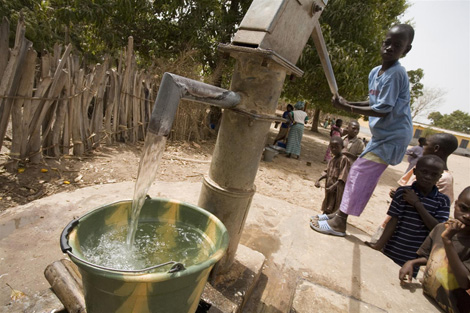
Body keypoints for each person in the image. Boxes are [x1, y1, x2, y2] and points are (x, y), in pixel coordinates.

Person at [311, 24, 415, 237]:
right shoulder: (376, 72)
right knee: (355, 172)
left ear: (406, 50)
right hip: (381, 136)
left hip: (393, 137)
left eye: (397, 45)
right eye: (387, 42)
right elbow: (373, 101)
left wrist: (346, 107)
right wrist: (348, 102)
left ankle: (340, 222)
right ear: (382, 42)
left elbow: (384, 110)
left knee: (360, 173)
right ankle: (338, 215)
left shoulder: (396, 74)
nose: (390, 48)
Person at [366, 155, 450, 277]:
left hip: (413, 256)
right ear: (415, 171)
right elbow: (393, 221)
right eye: (424, 172)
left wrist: (417, 204)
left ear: (439, 177)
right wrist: (378, 245)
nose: (427, 177)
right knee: (380, 274)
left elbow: (437, 228)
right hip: (392, 247)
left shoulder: (442, 201)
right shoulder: (402, 192)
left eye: (434, 174)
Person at [369, 133, 459, 244]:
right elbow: (405, 189)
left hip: (412, 236)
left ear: (436, 148)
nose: (427, 177)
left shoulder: (445, 179)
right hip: (391, 227)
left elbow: (438, 214)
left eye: (425, 145)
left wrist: (415, 202)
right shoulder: (419, 167)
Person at [399, 187, 470, 313]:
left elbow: (464, 282)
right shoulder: (440, 228)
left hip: (453, 308)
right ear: (456, 204)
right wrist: (412, 263)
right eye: (463, 208)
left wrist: (448, 241)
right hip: (430, 296)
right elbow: (431, 257)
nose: (467, 216)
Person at [313, 136, 350, 215]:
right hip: (329, 187)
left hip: (337, 188)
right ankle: (325, 215)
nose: (334, 149)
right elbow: (326, 172)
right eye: (332, 147)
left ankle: (332, 219)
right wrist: (318, 179)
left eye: (336, 147)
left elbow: (343, 176)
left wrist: (334, 186)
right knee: (328, 202)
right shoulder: (331, 160)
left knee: (336, 203)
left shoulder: (344, 159)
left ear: (342, 147)